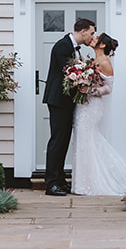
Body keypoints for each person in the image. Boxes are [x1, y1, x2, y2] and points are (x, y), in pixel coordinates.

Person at [71, 32, 126, 197]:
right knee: (83, 141)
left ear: (103, 45)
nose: (93, 39)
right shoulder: (92, 61)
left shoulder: (105, 62)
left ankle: (89, 184)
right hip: (83, 105)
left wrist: (90, 90)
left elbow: (108, 88)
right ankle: (83, 183)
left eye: (96, 38)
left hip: (92, 106)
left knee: (88, 140)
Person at [42, 17, 95, 195]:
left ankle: (60, 180)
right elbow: (69, 71)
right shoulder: (62, 46)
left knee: (63, 141)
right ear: (83, 31)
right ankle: (51, 184)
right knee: (57, 141)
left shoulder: (73, 48)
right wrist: (84, 77)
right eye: (91, 33)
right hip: (58, 100)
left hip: (67, 101)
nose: (92, 37)